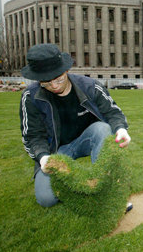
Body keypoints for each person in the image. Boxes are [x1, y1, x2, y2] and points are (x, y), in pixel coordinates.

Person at [20, 44, 131, 207]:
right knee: (46, 199)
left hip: (87, 139)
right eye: (46, 83)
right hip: (55, 152)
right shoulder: (30, 97)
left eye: (58, 79)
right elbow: (32, 137)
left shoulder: (90, 86)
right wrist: (43, 157)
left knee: (103, 129)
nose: (55, 86)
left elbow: (113, 112)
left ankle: (108, 189)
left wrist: (121, 129)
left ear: (66, 71)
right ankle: (81, 187)